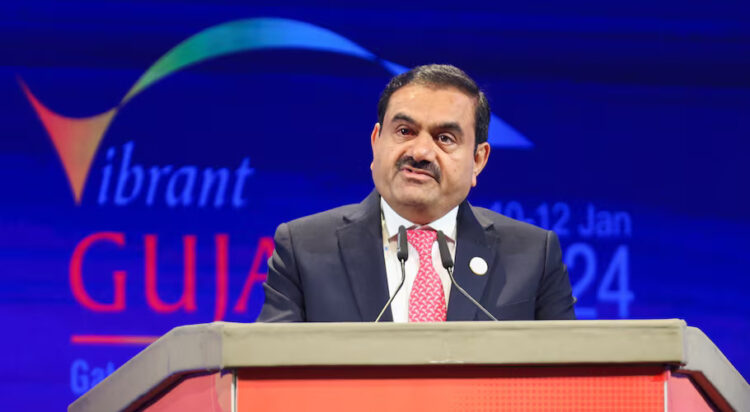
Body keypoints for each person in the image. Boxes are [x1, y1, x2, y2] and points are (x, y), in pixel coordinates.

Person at [258, 64, 575, 322]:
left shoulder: (534, 256)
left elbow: (568, 382)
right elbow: (268, 379)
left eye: (445, 138)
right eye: (405, 132)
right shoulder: (304, 249)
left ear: (478, 160)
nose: (421, 151)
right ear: (376, 141)